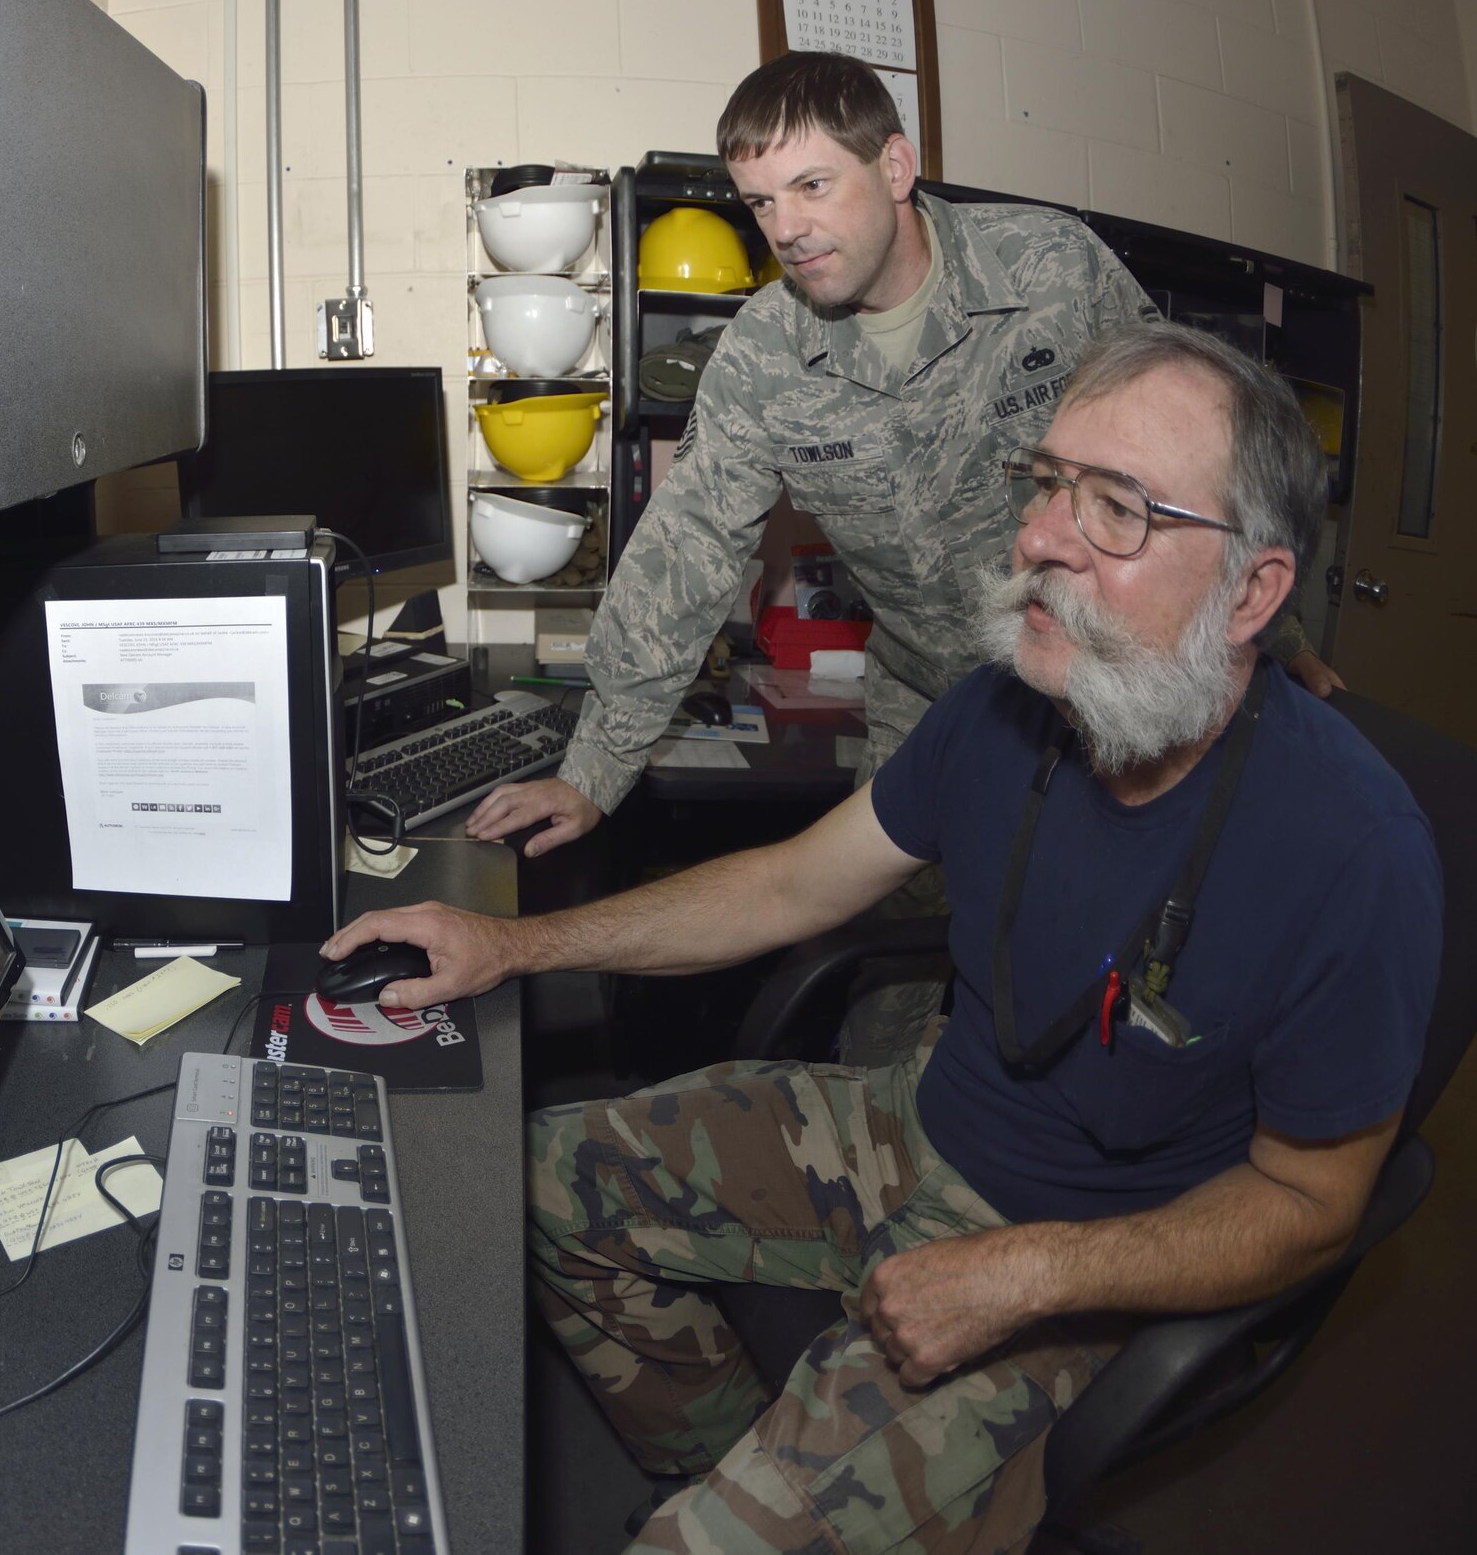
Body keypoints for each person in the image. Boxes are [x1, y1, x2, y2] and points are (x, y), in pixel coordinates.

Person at [324, 323, 1439, 1553]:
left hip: (1081, 1262)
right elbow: (787, 887)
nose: (1037, 538)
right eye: (1048, 482)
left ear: (1256, 593)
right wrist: (507, 945)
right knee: (526, 1183)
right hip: (913, 1123)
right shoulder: (1006, 707)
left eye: (1116, 509)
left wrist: (1026, 1275)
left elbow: (1311, 1201)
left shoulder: (1352, 848)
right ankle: (732, 1474)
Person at [469, 52, 1341, 869]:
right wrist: (592, 770)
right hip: (926, 703)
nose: (788, 230)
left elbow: (1204, 456)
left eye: (813, 185)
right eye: (761, 202)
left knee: (1091, 965)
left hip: (1097, 694)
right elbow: (685, 552)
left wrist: (1279, 636)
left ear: (893, 167)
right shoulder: (762, 354)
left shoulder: (1052, 272)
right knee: (885, 975)